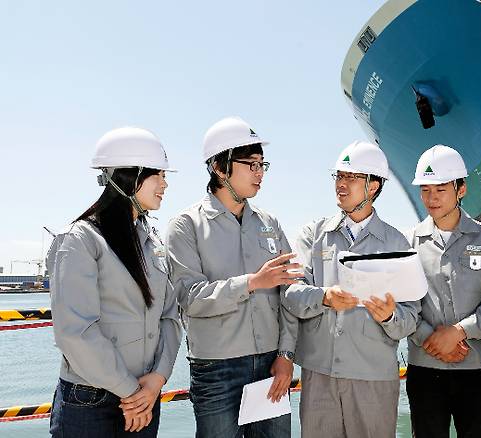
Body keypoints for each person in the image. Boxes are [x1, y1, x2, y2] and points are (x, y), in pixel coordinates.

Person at [167, 116, 297, 438]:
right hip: (216, 369)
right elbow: (190, 298)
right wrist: (252, 282)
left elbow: (291, 294)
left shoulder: (270, 224)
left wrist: (286, 355)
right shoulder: (185, 226)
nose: (259, 173)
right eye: (250, 165)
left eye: (262, 165)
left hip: (271, 365)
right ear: (219, 168)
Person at [47, 127, 182, 437]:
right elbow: (76, 332)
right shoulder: (79, 241)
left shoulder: (151, 241)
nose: (165, 183)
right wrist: (131, 391)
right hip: (92, 402)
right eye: (157, 174)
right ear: (128, 176)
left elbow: (171, 316)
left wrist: (158, 379)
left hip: (145, 396)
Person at [282, 141, 420, 438]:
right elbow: (290, 294)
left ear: (374, 186)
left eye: (352, 178)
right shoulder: (313, 235)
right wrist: (323, 297)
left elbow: (410, 319)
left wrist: (388, 317)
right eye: (339, 177)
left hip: (373, 380)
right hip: (320, 377)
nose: (341, 185)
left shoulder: (397, 244)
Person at [405, 145, 481, 438]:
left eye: (440, 189)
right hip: (424, 371)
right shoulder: (408, 242)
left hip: (477, 372)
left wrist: (458, 332)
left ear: (461, 188)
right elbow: (405, 305)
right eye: (425, 190)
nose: (431, 199)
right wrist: (432, 339)